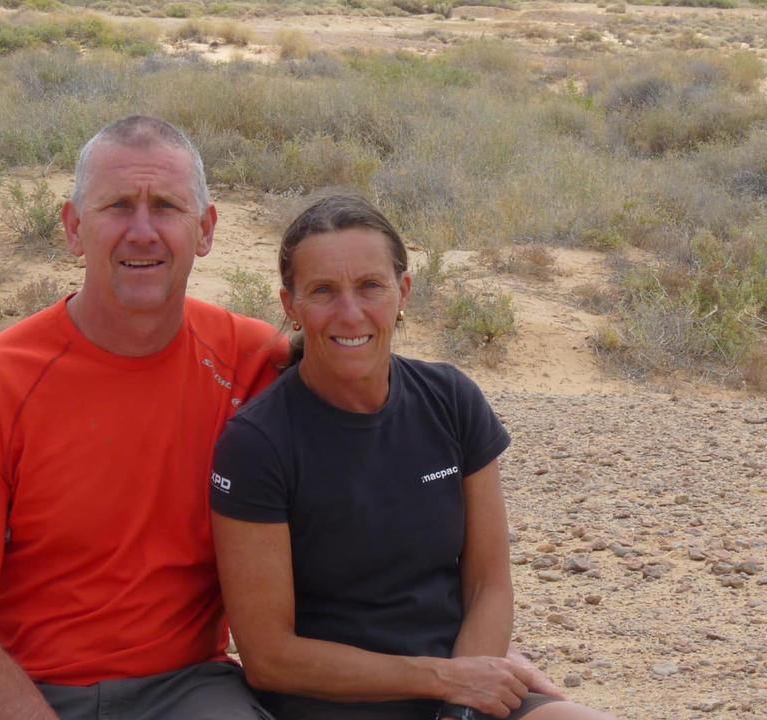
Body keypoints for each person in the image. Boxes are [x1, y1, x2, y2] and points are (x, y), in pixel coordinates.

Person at [0, 117, 559, 720]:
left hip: (184, 689)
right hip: (17, 693)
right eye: (116, 207)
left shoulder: (251, 357)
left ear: (207, 229)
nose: (142, 230)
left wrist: (470, 672)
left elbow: (367, 383)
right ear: (73, 226)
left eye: (166, 207)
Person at [209, 193, 615, 720]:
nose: (350, 312)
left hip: (462, 691)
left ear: (403, 292)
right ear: (291, 306)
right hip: (335, 701)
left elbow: (488, 585)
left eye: (370, 286)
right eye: (323, 291)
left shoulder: (450, 399)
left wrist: (461, 707)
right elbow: (269, 658)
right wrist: (444, 680)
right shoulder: (257, 443)